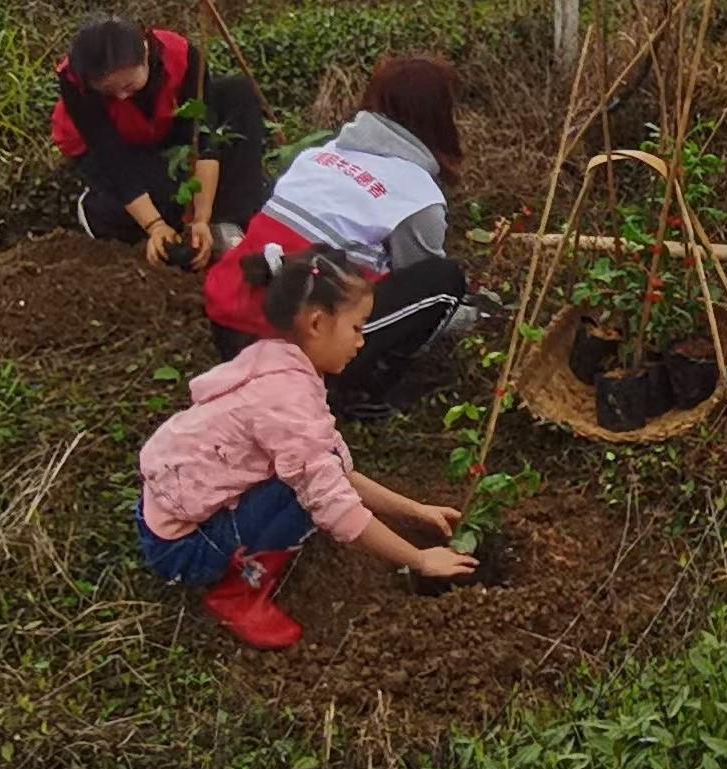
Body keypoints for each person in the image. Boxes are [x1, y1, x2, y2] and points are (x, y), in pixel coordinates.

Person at [139, 245, 478, 649]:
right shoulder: (288, 398)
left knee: (315, 471)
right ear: (317, 322)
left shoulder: (275, 361)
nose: (361, 341)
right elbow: (330, 500)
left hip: (163, 510)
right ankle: (238, 594)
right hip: (184, 547)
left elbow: (336, 467)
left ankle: (242, 548)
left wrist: (415, 511)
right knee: (305, 497)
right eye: (356, 328)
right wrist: (420, 559)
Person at [204, 55, 475, 418]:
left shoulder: (318, 157)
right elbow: (418, 272)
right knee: (444, 282)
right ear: (439, 116)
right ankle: (355, 389)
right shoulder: (416, 194)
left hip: (232, 325)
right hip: (293, 344)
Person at [53, 17, 267, 271]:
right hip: (115, 147)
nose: (121, 97)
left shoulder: (182, 55)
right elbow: (112, 157)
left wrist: (202, 218)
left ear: (145, 54)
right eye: (109, 92)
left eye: (129, 85)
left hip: (163, 128)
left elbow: (202, 139)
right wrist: (154, 225)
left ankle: (228, 222)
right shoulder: (74, 80)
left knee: (238, 93)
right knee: (162, 195)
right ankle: (97, 209)